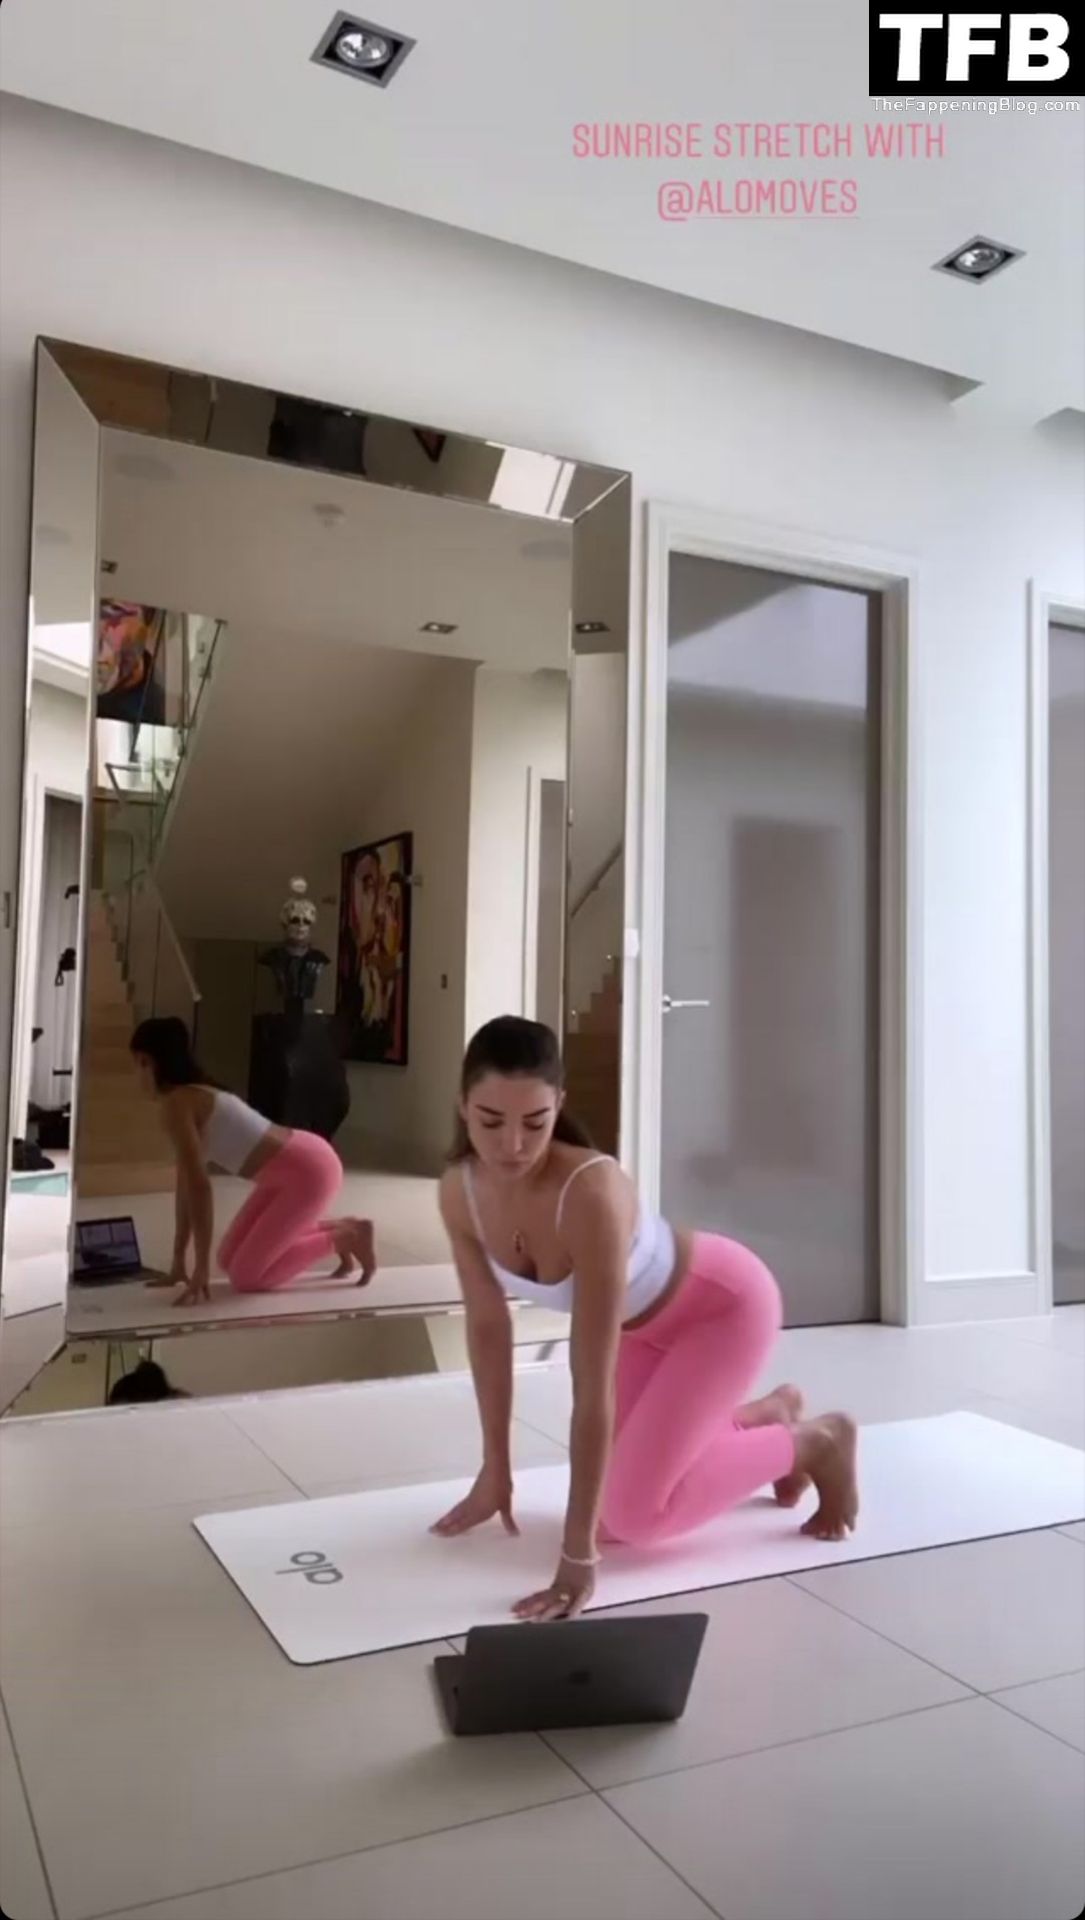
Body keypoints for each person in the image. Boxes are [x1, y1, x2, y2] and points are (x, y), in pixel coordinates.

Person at [433, 1016, 858, 1621]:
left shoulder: (590, 1191)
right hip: (645, 1333)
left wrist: (577, 1554)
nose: (513, 1145)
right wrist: (495, 1473)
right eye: (490, 1121)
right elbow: (487, 1330)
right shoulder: (459, 1193)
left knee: (631, 1518)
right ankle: (764, 1413)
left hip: (723, 1311)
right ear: (462, 1107)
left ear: (559, 1107)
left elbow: (590, 1386)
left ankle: (815, 1442)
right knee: (610, 1516)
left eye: (535, 1122)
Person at [129, 1017, 376, 1305]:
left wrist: (200, 1269)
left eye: (139, 1064)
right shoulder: (191, 1094)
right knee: (227, 1258)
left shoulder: (178, 1104)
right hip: (293, 1166)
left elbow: (200, 1189)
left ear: (151, 1062)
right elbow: (186, 1185)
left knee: (247, 1276)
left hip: (310, 1172)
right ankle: (346, 1227)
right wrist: (178, 1262)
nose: (137, 1075)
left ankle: (345, 1237)